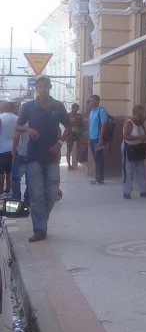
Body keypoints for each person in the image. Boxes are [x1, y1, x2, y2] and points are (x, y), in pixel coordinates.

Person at [16, 76, 69, 242]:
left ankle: (42, 219)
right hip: (34, 156)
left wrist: (59, 143)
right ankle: (40, 229)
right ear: (36, 88)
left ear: (50, 87)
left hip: (52, 156)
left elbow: (68, 126)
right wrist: (28, 129)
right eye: (40, 86)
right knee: (36, 193)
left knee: (52, 193)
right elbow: (18, 126)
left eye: (45, 86)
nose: (43, 89)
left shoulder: (58, 106)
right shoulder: (29, 107)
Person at [122, 104, 146, 199]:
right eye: (139, 115)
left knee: (141, 170)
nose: (140, 117)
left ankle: (144, 191)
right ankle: (126, 191)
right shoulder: (129, 123)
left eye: (142, 115)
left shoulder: (140, 122)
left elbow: (144, 133)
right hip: (129, 148)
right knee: (128, 170)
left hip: (139, 148)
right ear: (134, 114)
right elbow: (126, 137)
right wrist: (141, 137)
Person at [87, 94, 109, 184]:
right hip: (92, 138)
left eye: (92, 100)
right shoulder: (92, 111)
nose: (90, 102)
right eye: (90, 100)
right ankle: (98, 177)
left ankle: (99, 179)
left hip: (98, 138)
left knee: (99, 158)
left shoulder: (102, 111)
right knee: (96, 158)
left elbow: (104, 124)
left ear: (97, 101)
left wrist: (101, 138)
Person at [0, 102, 17, 196]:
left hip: (2, 148)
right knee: (9, 171)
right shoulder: (16, 118)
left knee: (1, 171)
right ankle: (8, 189)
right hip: (13, 148)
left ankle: (0, 190)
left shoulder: (2, 118)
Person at [65, 103, 85, 170]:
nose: (76, 110)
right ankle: (68, 164)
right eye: (75, 108)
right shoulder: (68, 115)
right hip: (69, 134)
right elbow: (66, 125)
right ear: (72, 108)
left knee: (79, 149)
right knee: (69, 150)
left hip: (77, 134)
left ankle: (77, 162)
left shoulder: (79, 116)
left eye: (77, 109)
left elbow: (82, 125)